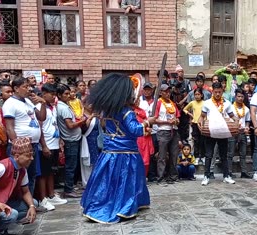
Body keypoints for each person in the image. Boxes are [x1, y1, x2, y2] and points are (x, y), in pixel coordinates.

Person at [81, 73, 155, 224]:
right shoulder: (127, 112)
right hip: (126, 154)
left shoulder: (108, 111)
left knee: (107, 181)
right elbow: (134, 130)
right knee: (125, 181)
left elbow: (106, 127)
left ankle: (99, 205)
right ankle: (122, 206)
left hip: (109, 152)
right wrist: (147, 122)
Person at [3, 77, 46, 197]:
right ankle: (21, 204)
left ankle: (30, 203)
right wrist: (19, 146)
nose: (29, 89)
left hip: (33, 145)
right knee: (20, 176)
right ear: (16, 88)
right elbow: (9, 127)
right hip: (20, 147)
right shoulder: (10, 103)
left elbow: (41, 117)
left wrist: (42, 103)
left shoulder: (27, 101)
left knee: (31, 175)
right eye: (25, 87)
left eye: (29, 86)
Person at [0, 137, 38, 225]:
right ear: (17, 156)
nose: (31, 158)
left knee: (33, 203)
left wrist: (31, 206)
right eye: (28, 156)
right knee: (13, 214)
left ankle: (10, 221)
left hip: (8, 201)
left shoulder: (22, 170)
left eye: (31, 155)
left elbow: (25, 191)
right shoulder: (1, 167)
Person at [198, 82, 238, 186]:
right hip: (211, 131)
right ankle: (206, 176)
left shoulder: (227, 103)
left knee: (223, 155)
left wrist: (236, 122)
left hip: (223, 132)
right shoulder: (207, 103)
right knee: (208, 155)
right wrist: (200, 122)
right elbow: (202, 116)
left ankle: (226, 176)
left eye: (219, 92)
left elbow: (232, 116)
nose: (217, 94)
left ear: (222, 91)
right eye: (215, 92)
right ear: (212, 92)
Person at [37, 84, 66, 208]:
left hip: (54, 142)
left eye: (55, 95)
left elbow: (53, 125)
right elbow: (40, 127)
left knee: (51, 172)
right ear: (43, 94)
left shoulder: (52, 107)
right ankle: (43, 199)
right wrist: (44, 145)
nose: (54, 97)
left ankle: (51, 195)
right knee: (43, 173)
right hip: (46, 144)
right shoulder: (39, 106)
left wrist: (60, 140)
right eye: (52, 95)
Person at [56, 84, 86, 198]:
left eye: (69, 93)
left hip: (71, 138)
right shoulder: (63, 108)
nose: (69, 96)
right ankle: (68, 189)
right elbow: (70, 125)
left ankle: (70, 187)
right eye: (66, 94)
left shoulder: (64, 105)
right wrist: (82, 121)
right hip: (71, 139)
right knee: (70, 166)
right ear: (59, 95)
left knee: (71, 165)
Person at [155, 84, 180, 184]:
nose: (167, 93)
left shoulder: (172, 103)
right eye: (165, 91)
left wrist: (176, 121)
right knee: (162, 156)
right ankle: (160, 177)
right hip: (163, 131)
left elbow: (178, 116)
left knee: (174, 155)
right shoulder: (158, 103)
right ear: (161, 92)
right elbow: (155, 119)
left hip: (173, 130)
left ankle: (173, 176)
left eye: (169, 91)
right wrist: (167, 122)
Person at [227, 89, 250, 179]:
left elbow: (247, 120)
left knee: (243, 153)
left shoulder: (246, 109)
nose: (240, 98)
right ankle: (229, 171)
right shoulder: (230, 108)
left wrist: (247, 127)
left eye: (242, 97)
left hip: (242, 132)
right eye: (238, 96)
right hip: (232, 132)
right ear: (235, 97)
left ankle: (244, 171)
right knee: (230, 153)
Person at [184, 89, 205, 165]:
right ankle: (196, 157)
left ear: (202, 95)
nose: (197, 96)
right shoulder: (192, 103)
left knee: (203, 141)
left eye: (198, 94)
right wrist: (191, 115)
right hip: (195, 123)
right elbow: (185, 109)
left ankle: (202, 157)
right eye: (195, 94)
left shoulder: (205, 103)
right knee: (196, 141)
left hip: (203, 124)